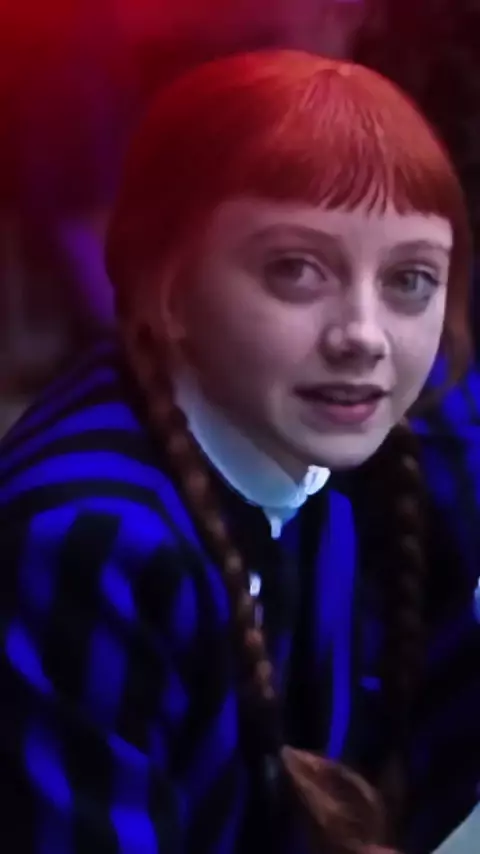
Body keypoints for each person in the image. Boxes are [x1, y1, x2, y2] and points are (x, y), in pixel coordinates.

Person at [0, 50, 477, 854]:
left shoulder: (332, 459)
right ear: (167, 286)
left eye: (409, 280)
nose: (362, 335)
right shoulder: (87, 544)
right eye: (296, 269)